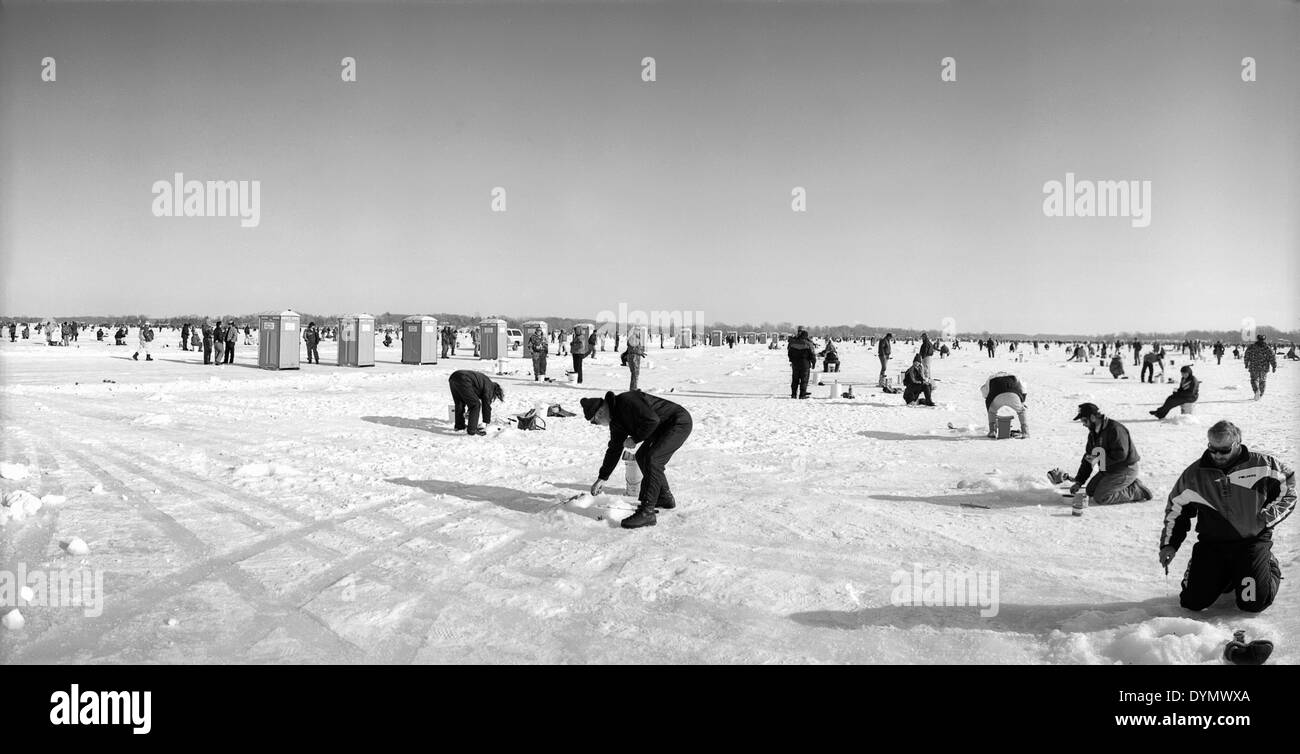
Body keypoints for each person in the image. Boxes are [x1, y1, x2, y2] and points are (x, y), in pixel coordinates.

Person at [1159, 421, 1294, 614]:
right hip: (1213, 545)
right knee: (1192, 602)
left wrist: (1268, 518)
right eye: (1212, 449)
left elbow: (1288, 489)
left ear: (1238, 442)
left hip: (1251, 543)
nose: (1217, 456)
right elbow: (1176, 509)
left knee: (1252, 603)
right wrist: (1169, 544)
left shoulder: (1263, 465)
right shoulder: (1194, 475)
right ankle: (1227, 576)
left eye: (1224, 450)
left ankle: (1267, 563)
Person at [582, 390, 693, 530]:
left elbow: (652, 420)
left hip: (678, 422)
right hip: (662, 427)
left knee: (653, 459)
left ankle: (647, 512)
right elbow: (614, 449)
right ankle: (664, 497)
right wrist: (602, 477)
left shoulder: (626, 401)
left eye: (595, 422)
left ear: (600, 413)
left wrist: (635, 439)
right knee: (642, 456)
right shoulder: (615, 421)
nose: (597, 425)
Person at [1068, 403, 1153, 504]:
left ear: (1092, 417)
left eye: (1084, 420)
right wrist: (1079, 482)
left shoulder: (1115, 429)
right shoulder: (1093, 434)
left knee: (1101, 497)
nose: (1084, 424)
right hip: (1109, 469)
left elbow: (1121, 454)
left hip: (1125, 469)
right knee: (1090, 491)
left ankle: (1137, 491)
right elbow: (1088, 458)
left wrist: (1099, 460)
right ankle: (1127, 484)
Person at [447, 369, 504, 436]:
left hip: (454, 377)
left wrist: (470, 412)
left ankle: (459, 426)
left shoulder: (484, 382)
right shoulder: (490, 387)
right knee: (476, 404)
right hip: (464, 379)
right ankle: (472, 430)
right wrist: (486, 421)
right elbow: (486, 405)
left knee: (460, 403)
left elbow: (470, 398)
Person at [981, 371, 1027, 438]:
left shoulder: (991, 378)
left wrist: (988, 401)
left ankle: (992, 431)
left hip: (996, 395)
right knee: (1021, 411)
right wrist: (1022, 402)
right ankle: (1025, 432)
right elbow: (1023, 387)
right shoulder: (1013, 376)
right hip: (1013, 394)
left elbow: (984, 390)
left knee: (992, 411)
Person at [1243, 334, 1276, 400]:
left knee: (1254, 380)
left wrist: (1246, 363)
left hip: (1253, 367)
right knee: (1262, 381)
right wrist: (1274, 366)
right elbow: (1272, 357)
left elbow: (1246, 355)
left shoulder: (1251, 347)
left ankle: (1256, 391)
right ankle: (1260, 394)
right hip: (1264, 368)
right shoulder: (1267, 348)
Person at [787, 328, 817, 398]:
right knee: (804, 380)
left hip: (795, 364)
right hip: (805, 365)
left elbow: (789, 353)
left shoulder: (793, 343)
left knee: (795, 380)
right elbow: (812, 355)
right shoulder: (808, 344)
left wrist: (791, 360)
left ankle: (793, 394)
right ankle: (802, 395)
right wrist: (813, 363)